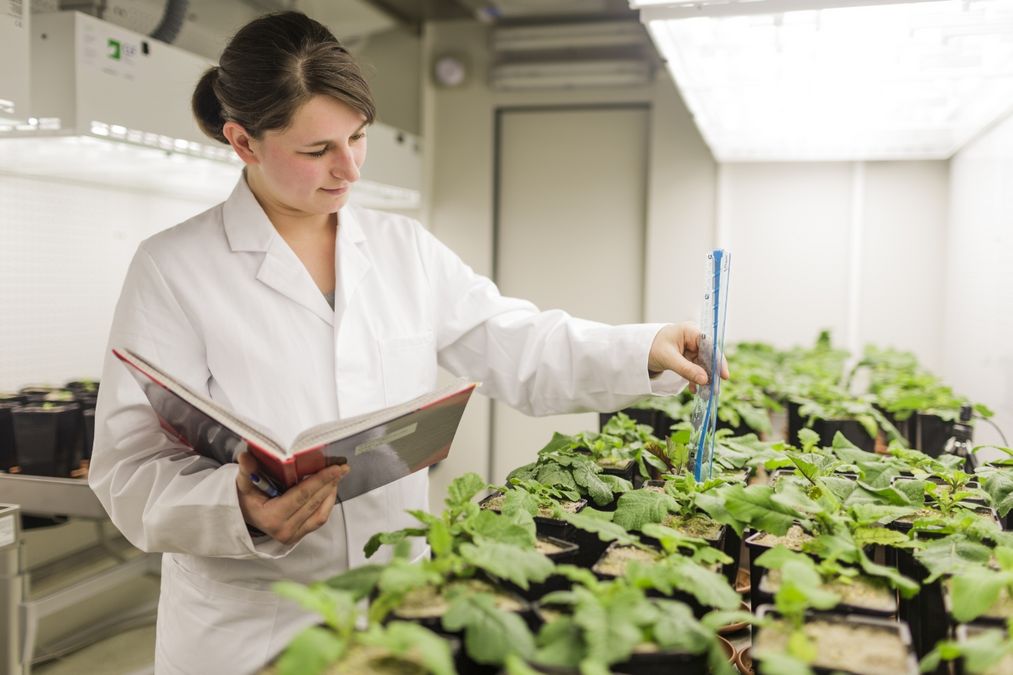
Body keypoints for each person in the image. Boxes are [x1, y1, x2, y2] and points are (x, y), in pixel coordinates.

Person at [89, 11, 727, 675]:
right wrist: (237, 507)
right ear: (243, 142)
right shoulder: (174, 267)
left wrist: (644, 345)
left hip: (397, 608)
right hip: (249, 623)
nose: (349, 170)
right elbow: (127, 464)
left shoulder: (402, 249)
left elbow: (512, 340)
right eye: (317, 151)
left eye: (357, 138)